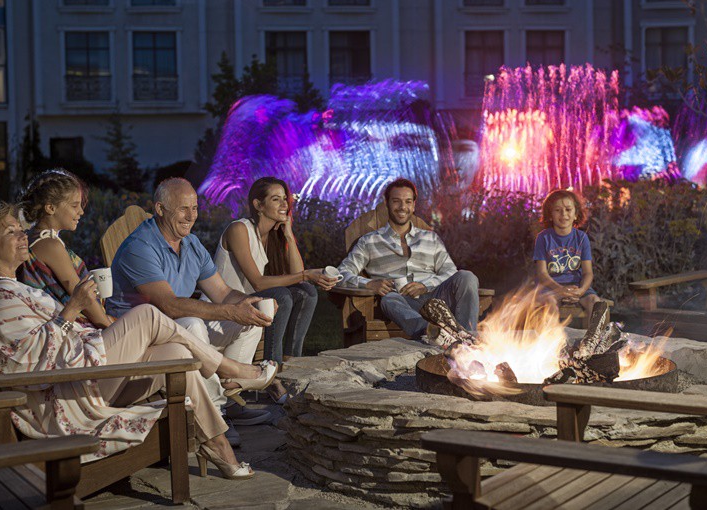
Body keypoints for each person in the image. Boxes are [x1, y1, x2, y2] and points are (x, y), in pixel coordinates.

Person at [0, 204, 277, 479]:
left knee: (176, 351)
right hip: (63, 395)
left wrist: (84, 319)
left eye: (20, 228)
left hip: (81, 373)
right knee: (147, 315)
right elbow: (20, 362)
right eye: (11, 232)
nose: (22, 235)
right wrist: (72, 309)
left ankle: (217, 443)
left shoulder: (8, 289)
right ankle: (229, 370)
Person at [106, 178, 275, 445]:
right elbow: (169, 305)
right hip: (144, 342)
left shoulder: (192, 244)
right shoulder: (139, 247)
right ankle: (216, 412)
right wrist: (230, 312)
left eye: (195, 208)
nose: (191, 216)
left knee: (253, 316)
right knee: (193, 323)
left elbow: (223, 293)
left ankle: (228, 393)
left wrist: (249, 303)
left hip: (179, 329)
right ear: (160, 209)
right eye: (183, 209)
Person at [214, 177, 337, 402]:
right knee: (282, 296)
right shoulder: (239, 229)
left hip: (250, 299)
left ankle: (291, 367)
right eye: (275, 199)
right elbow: (258, 282)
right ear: (258, 205)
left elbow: (300, 278)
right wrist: (306, 274)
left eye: (285, 199)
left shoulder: (272, 236)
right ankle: (272, 373)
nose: (284, 204)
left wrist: (288, 234)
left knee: (307, 292)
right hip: (226, 302)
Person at [337, 178, 480, 340]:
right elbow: (341, 274)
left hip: (435, 298)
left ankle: (466, 338)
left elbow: (450, 272)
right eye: (396, 201)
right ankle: (431, 334)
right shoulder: (369, 241)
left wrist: (425, 286)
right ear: (387, 203)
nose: (402, 207)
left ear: (413, 205)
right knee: (388, 300)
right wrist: (369, 283)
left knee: (466, 276)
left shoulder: (430, 239)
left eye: (408, 202)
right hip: (400, 301)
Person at [17, 169, 112, 329]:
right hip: (74, 328)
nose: (81, 212)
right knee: (147, 317)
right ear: (50, 208)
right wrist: (108, 327)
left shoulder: (35, 237)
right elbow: (83, 298)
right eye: (75, 205)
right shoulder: (50, 245)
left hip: (65, 323)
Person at [533, 189, 601, 315]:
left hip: (576, 287)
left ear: (576, 214)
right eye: (557, 210)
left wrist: (581, 291)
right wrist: (560, 290)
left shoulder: (581, 238)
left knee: (595, 303)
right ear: (550, 215)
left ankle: (596, 335)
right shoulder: (543, 238)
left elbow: (588, 273)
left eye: (568, 209)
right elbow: (542, 273)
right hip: (550, 288)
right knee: (548, 304)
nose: (563, 214)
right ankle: (553, 334)